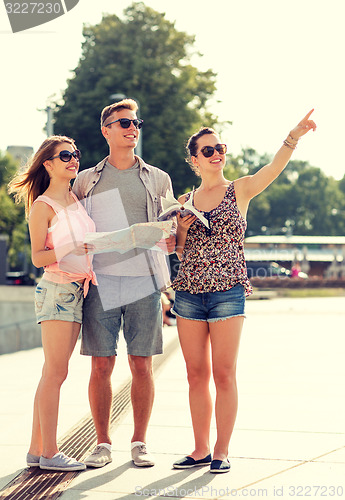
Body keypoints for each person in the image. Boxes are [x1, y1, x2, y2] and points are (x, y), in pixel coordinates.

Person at [171, 110, 316, 473]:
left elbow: (273, 168)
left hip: (227, 293)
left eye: (220, 147)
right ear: (194, 160)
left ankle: (221, 451)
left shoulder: (241, 189)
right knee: (195, 374)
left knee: (224, 373)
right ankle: (200, 448)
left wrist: (292, 137)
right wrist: (183, 230)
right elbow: (178, 249)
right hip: (189, 292)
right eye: (208, 150)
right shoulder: (184, 200)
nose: (217, 153)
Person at [72, 98, 176, 468]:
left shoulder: (158, 178)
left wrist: (170, 236)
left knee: (142, 365)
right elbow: (75, 231)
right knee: (101, 366)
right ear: (107, 130)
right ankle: (102, 443)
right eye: (124, 123)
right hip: (100, 282)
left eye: (136, 123)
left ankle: (139, 442)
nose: (132, 128)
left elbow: (171, 229)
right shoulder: (86, 180)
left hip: (145, 283)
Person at [8, 136, 97, 472]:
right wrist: (71, 247)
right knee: (56, 373)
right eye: (65, 156)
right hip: (57, 292)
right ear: (47, 164)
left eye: (75, 154)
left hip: (77, 290)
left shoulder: (75, 198)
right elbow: (38, 257)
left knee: (52, 373)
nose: (73, 160)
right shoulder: (44, 206)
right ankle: (50, 453)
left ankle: (35, 450)